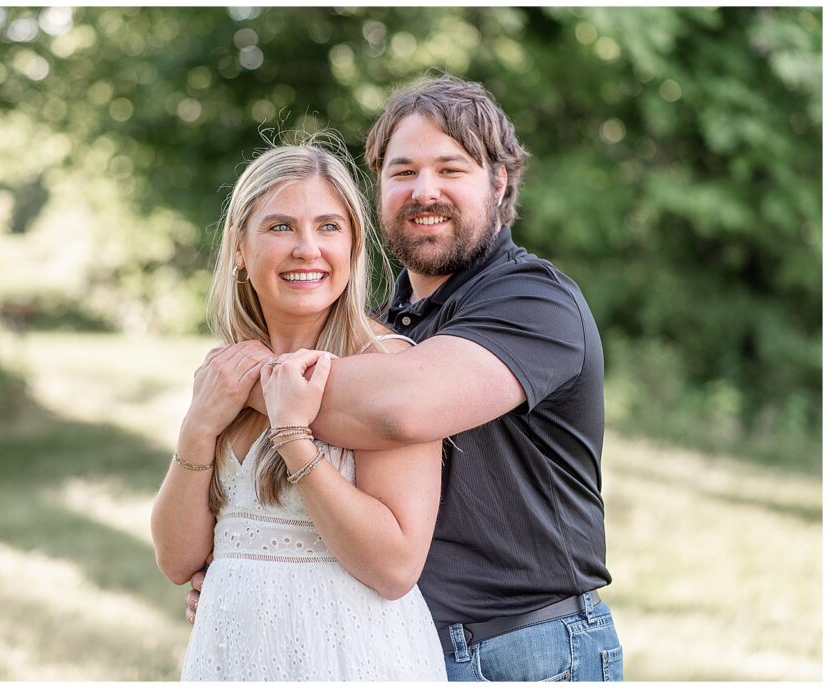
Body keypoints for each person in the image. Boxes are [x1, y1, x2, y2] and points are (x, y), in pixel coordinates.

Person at [186, 74, 624, 682]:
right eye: (402, 171)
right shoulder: (384, 328)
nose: (425, 191)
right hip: (396, 641)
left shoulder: (533, 302)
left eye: (451, 169)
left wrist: (235, 380)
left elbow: (399, 409)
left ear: (498, 182)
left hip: (525, 651)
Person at [150, 143, 448, 681]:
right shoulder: (226, 373)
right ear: (240, 247)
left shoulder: (386, 367)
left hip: (348, 658)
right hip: (231, 655)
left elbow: (396, 567)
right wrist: (198, 429)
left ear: (354, 245)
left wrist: (292, 436)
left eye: (329, 227)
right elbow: (176, 561)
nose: (307, 249)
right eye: (281, 227)